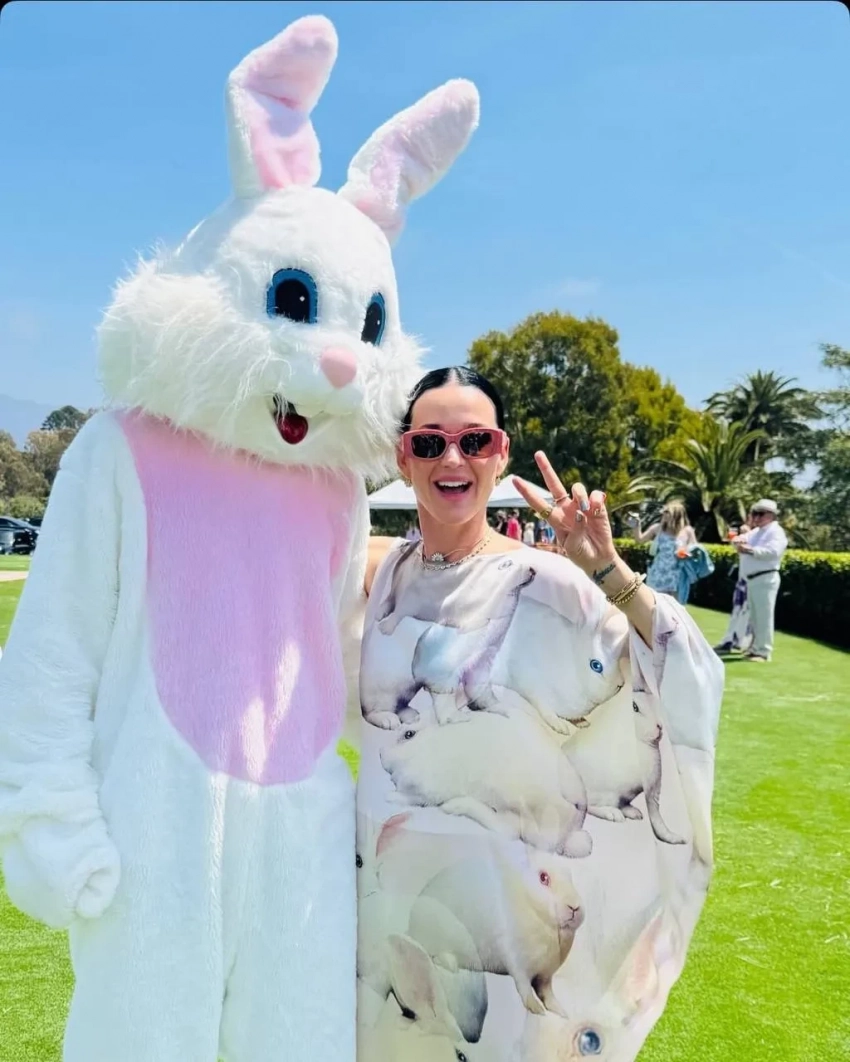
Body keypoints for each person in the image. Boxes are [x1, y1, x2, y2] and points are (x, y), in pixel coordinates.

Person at [356, 366, 724, 1061]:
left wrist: (608, 570)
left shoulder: (545, 582)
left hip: (506, 908)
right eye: (429, 443)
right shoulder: (383, 576)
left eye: (474, 440)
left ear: (500, 453)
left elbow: (670, 671)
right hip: (392, 891)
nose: (452, 459)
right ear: (403, 457)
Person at [731, 499, 787, 663]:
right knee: (755, 617)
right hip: (752, 579)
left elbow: (773, 552)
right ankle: (754, 648)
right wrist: (738, 541)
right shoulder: (756, 532)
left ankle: (763, 651)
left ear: (771, 515)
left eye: (760, 514)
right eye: (754, 513)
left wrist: (750, 550)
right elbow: (738, 539)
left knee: (764, 616)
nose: (756, 517)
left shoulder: (776, 532)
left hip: (766, 577)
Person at [631, 502, 697, 597]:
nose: (663, 514)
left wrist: (687, 554)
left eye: (667, 512)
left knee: (673, 603)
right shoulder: (658, 528)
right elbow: (640, 540)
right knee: (654, 600)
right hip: (658, 572)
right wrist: (636, 525)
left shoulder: (687, 531)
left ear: (676, 515)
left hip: (676, 574)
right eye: (664, 512)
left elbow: (695, 549)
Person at [714, 522, 754, 655]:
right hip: (742, 582)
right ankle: (730, 640)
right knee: (737, 611)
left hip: (752, 582)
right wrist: (740, 537)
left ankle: (741, 641)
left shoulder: (758, 539)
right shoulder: (744, 540)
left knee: (747, 613)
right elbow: (735, 542)